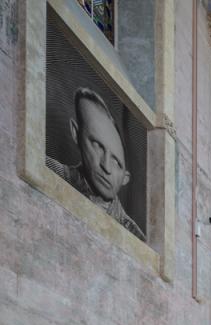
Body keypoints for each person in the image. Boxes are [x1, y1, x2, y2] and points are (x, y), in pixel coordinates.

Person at [46, 87, 145, 241]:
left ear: (125, 178)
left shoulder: (134, 235)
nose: (106, 166)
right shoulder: (48, 171)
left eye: (116, 162)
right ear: (76, 133)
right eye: (97, 145)